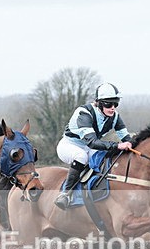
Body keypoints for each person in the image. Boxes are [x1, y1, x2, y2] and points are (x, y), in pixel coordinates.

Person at [54, 82, 133, 210]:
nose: (113, 107)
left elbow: (126, 138)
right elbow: (93, 142)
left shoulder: (115, 117)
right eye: (108, 104)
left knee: (103, 159)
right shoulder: (84, 113)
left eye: (116, 103)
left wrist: (133, 145)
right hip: (69, 145)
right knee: (81, 157)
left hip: (88, 147)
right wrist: (118, 145)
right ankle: (65, 194)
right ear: (98, 103)